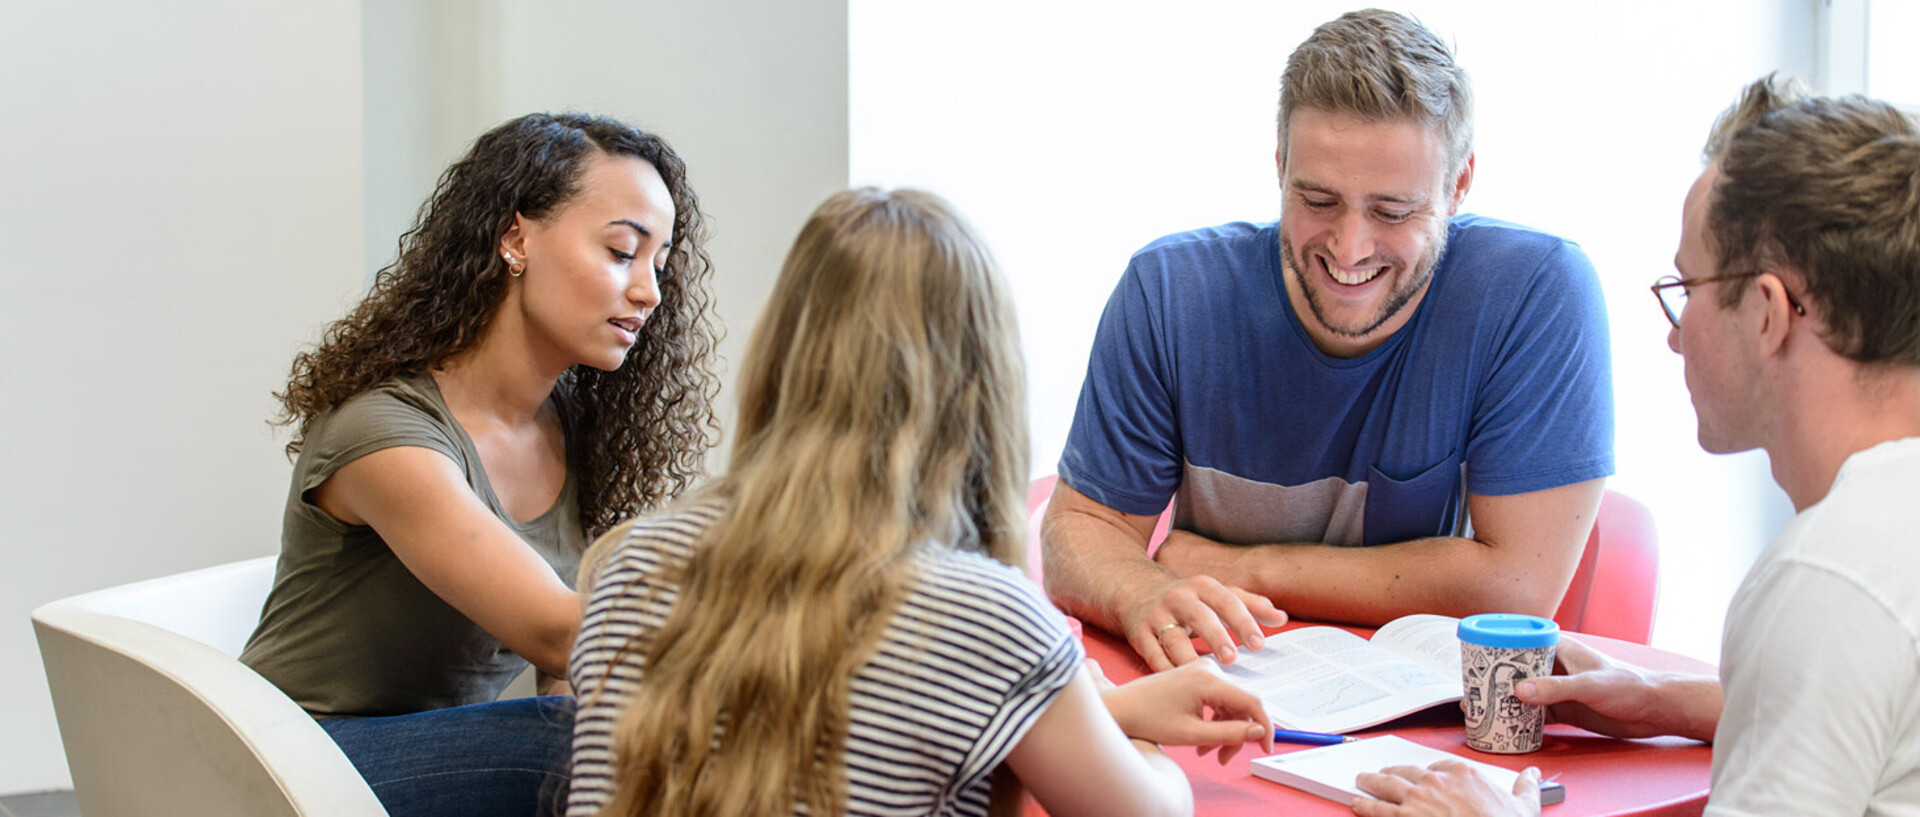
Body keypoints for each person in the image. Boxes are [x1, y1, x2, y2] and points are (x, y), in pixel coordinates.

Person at [567, 188, 1276, 817]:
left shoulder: (629, 563)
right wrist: (1139, 742)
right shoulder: (980, 614)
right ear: (979, 387)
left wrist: (1090, 708)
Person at [1354, 76, 1920, 816]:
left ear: (1768, 312)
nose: (1674, 335)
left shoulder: (1827, 579)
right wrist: (1665, 697)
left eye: (1688, 289)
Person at [1044, 8, 1614, 672]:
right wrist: (1141, 590)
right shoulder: (1169, 293)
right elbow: (1078, 531)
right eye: (1317, 200)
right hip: (1214, 701)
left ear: (1458, 186)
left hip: (1426, 730)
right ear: (1280, 166)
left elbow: (1516, 587)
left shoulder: (1534, 291)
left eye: (1391, 211)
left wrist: (1250, 567)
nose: (1349, 248)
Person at [238, 113, 720, 816]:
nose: (649, 290)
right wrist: (771, 630)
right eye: (622, 251)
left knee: (607, 738)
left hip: (432, 755)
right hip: (292, 764)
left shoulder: (573, 425)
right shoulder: (386, 435)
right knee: (576, 745)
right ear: (515, 237)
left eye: (660, 261)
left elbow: (567, 665)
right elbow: (557, 627)